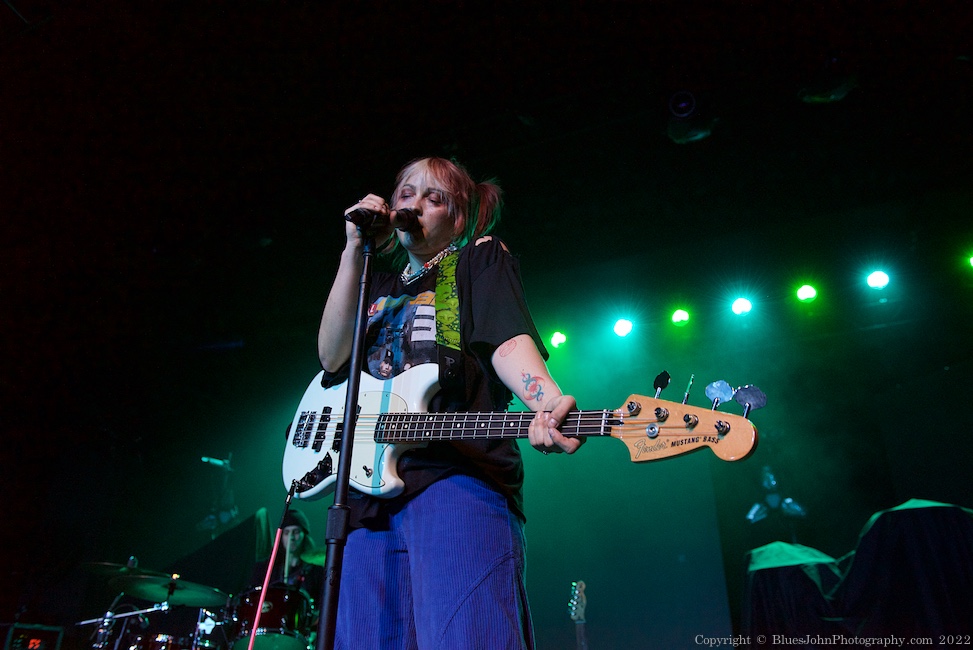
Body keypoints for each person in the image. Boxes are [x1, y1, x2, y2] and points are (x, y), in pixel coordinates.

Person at [317, 156, 583, 649]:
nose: (413, 205)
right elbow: (332, 356)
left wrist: (544, 399)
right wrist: (354, 249)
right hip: (365, 499)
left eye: (433, 198)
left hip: (456, 476)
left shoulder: (477, 258)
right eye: (406, 194)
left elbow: (506, 339)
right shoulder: (376, 283)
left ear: (457, 219)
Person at [248, 508, 324, 624]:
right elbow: (251, 598)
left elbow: (323, 607)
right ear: (280, 537)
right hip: (270, 626)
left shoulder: (316, 572)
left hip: (301, 630)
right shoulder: (265, 569)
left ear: (304, 535)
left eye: (296, 532)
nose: (292, 538)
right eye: (287, 533)